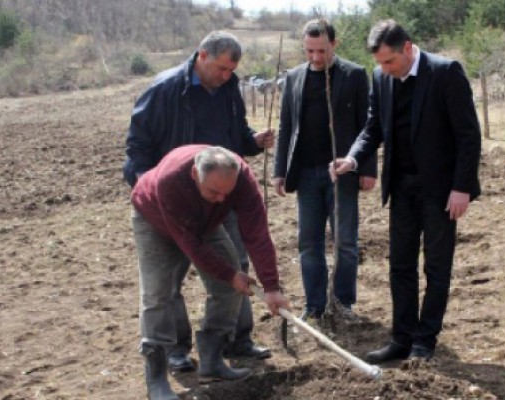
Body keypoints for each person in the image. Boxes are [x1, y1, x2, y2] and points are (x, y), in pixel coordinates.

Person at [123, 31, 275, 372]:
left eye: (231, 71)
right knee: (166, 284)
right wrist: (151, 188)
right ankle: (174, 351)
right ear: (202, 56)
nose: (226, 76)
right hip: (170, 197)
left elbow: (236, 136)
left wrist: (251, 142)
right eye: (221, 68)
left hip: (222, 192)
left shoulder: (228, 88)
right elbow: (137, 146)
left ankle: (233, 340)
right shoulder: (164, 90)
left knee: (236, 269)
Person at [331, 19, 481, 361]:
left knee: (437, 266)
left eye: (389, 61)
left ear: (408, 48)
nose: (384, 69)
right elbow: (373, 128)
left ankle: (425, 340)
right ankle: (401, 338)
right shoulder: (381, 78)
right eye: (380, 63)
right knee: (400, 264)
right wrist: (353, 160)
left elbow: (468, 136)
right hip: (401, 185)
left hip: (441, 190)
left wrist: (462, 188)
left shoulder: (446, 73)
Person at [131, 145, 289, 399]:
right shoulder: (171, 180)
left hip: (206, 221)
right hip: (155, 220)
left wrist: (271, 286)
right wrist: (228, 273)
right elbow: (190, 245)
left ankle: (212, 360)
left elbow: (256, 233)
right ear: (195, 173)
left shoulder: (241, 181)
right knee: (158, 295)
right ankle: (156, 379)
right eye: (214, 191)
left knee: (232, 285)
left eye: (227, 193)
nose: (222, 199)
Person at [272, 19, 377, 321]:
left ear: (335, 44)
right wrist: (280, 170)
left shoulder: (354, 75)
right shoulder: (293, 77)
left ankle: (343, 303)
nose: (315, 57)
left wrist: (367, 169)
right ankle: (314, 306)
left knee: (345, 241)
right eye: (309, 51)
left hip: (341, 172)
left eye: (321, 50)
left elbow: (367, 126)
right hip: (305, 174)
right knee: (309, 242)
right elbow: (286, 125)